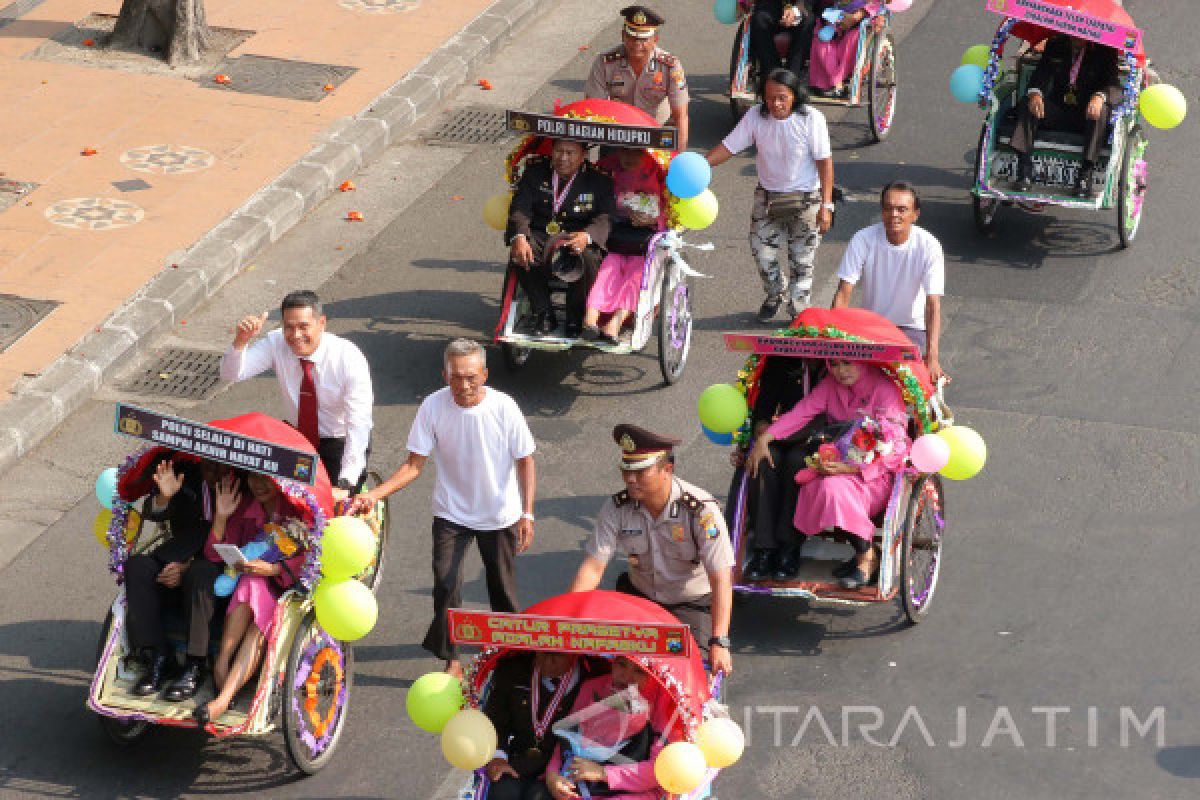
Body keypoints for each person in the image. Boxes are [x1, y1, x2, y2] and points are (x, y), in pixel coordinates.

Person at [349, 339, 536, 678]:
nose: (463, 386)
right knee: (445, 583)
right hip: (452, 514)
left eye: (471, 377)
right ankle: (451, 659)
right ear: (444, 375)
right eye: (455, 377)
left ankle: (513, 654)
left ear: (485, 374)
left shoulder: (505, 407)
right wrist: (375, 494)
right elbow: (413, 466)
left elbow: (525, 461)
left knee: (502, 590)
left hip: (499, 514)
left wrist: (527, 513)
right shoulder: (432, 407)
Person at [569, 425, 734, 675]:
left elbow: (721, 578)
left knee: (689, 673)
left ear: (667, 469)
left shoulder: (701, 511)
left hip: (690, 605)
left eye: (640, 471)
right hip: (639, 598)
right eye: (626, 470)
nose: (630, 479)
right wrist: (566, 620)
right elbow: (592, 568)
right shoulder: (616, 508)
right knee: (604, 665)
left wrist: (719, 641)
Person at [747, 359, 909, 589]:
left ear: (863, 362)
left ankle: (867, 557)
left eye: (848, 363)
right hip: (835, 467)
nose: (841, 371)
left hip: (874, 475)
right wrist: (765, 438)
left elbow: (897, 448)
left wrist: (853, 468)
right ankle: (776, 549)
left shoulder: (885, 390)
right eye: (834, 364)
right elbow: (800, 414)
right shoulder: (830, 385)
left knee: (831, 490)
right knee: (812, 482)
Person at [707, 68, 834, 323]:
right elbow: (729, 147)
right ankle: (775, 293)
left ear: (794, 96)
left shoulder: (812, 119)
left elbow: (825, 162)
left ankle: (799, 309)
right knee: (761, 253)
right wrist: (702, 164)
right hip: (767, 199)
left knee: (802, 259)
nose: (775, 104)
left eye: (782, 98)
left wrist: (826, 205)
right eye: (769, 97)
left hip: (807, 199)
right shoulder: (755, 116)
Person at [220, 291, 373, 501]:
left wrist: (345, 482)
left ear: (322, 323)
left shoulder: (348, 359)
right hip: (298, 440)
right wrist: (240, 342)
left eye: (303, 327)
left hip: (338, 442)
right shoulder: (276, 343)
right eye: (289, 327)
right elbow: (231, 374)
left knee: (337, 511)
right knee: (284, 503)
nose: (295, 335)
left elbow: (359, 423)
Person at [193, 470, 310, 723]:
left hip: (286, 586)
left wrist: (274, 569)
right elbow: (214, 556)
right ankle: (222, 661)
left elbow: (313, 557)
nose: (259, 485)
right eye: (254, 477)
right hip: (247, 587)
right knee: (251, 582)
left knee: (255, 589)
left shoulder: (298, 507)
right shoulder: (245, 506)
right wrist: (222, 516)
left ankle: (222, 698)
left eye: (267, 478)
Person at [122, 454, 225, 701]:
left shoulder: (244, 487)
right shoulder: (185, 476)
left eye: (221, 464)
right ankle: (158, 655)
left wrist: (187, 567)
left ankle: (194, 665)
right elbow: (152, 511)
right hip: (175, 558)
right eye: (209, 461)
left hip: (218, 573)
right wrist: (164, 497)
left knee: (200, 573)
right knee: (137, 567)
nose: (213, 467)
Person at [831, 181, 947, 382]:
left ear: (915, 215)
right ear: (882, 211)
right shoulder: (862, 239)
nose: (894, 215)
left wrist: (933, 357)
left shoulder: (929, 246)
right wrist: (833, 341)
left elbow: (933, 304)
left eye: (902, 210)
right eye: (889, 208)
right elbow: (843, 292)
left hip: (912, 329)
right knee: (848, 377)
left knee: (906, 383)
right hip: (870, 326)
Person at [506, 140, 617, 338]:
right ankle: (544, 313)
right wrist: (520, 236)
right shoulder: (535, 173)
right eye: (558, 151)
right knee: (521, 253)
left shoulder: (599, 181)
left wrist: (587, 235)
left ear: (583, 156)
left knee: (588, 258)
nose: (563, 158)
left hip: (577, 235)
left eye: (570, 153)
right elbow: (519, 208)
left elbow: (606, 217)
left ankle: (576, 316)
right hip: (542, 234)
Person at [739, 354, 827, 581]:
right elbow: (764, 407)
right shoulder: (781, 360)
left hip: (821, 439)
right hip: (779, 434)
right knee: (765, 461)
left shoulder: (838, 366)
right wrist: (761, 431)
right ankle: (764, 548)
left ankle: (789, 547)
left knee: (797, 464)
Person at [544, 655, 675, 800]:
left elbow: (659, 771)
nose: (627, 676)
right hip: (582, 782)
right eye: (621, 664)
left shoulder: (665, 703)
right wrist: (552, 774)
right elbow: (568, 737)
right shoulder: (592, 687)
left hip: (637, 791)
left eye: (640, 671)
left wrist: (603, 773)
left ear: (652, 674)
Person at [1009, 34, 1121, 197]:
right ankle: (1024, 171)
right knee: (1029, 103)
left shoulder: (1105, 51)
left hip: (1087, 114)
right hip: (1059, 109)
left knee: (1102, 111)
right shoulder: (1056, 44)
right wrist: (1035, 94)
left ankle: (1085, 175)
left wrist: (1100, 97)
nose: (1078, 38)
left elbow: (1113, 85)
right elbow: (1041, 74)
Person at [581, 149, 666, 344]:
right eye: (625, 151)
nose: (629, 157)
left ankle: (616, 321)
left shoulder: (660, 170)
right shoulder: (605, 168)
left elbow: (671, 210)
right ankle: (591, 318)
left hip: (646, 239)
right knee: (608, 268)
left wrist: (653, 219)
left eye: (636, 153)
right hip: (616, 235)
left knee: (636, 273)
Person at [585, 5, 690, 150]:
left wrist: (680, 155)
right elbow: (593, 107)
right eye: (632, 37)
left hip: (657, 134)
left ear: (655, 40)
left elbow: (681, 116)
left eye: (644, 39)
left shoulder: (670, 66)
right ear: (623, 36)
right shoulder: (605, 62)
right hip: (618, 135)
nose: (637, 45)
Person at [484, 651, 584, 800]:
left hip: (564, 766)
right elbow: (496, 719)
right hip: (518, 759)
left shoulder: (592, 676)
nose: (548, 661)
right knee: (501, 792)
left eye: (558, 655)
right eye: (543, 652)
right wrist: (498, 757)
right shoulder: (513, 670)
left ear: (574, 654)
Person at [808, 1, 880, 97]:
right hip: (835, 15)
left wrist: (858, 15)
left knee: (852, 39)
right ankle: (829, 83)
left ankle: (838, 82)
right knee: (822, 39)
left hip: (864, 17)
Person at [747, 1, 817, 77]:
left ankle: (791, 77)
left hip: (801, 7)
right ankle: (772, 75)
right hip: (772, 7)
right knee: (759, 20)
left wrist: (796, 10)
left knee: (808, 22)